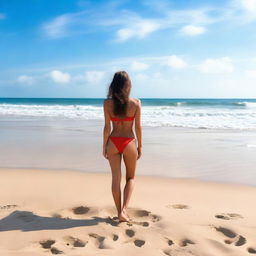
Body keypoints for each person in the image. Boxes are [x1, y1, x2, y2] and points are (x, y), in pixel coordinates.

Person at [102, 71, 142, 222]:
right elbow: (138, 128)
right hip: (129, 142)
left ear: (114, 85)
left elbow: (107, 127)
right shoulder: (136, 103)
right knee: (130, 178)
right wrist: (140, 146)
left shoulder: (107, 103)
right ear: (128, 85)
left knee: (115, 179)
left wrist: (104, 146)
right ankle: (124, 210)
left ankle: (119, 212)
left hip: (113, 142)